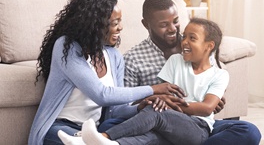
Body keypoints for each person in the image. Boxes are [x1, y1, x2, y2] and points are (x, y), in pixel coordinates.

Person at [28, 0, 186, 145]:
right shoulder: (66, 47)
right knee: (84, 141)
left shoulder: (114, 56)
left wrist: (140, 106)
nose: (120, 27)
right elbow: (101, 95)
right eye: (115, 23)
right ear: (95, 24)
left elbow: (114, 111)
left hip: (94, 132)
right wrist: (154, 89)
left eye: (120, 21)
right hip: (60, 128)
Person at [57, 17, 229, 145]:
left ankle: (102, 137)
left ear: (209, 46)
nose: (184, 41)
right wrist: (160, 101)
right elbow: (163, 94)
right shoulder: (175, 61)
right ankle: (108, 143)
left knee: (157, 112)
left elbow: (206, 109)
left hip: (197, 128)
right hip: (169, 124)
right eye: (184, 36)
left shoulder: (219, 75)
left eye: (192, 38)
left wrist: (171, 106)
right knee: (151, 134)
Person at [122, 0, 261, 144]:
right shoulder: (133, 58)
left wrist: (213, 98)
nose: (173, 29)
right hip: (160, 122)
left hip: (198, 123)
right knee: (113, 126)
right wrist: (152, 100)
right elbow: (126, 106)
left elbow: (211, 77)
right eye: (163, 25)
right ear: (146, 24)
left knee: (249, 131)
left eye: (176, 21)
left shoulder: (197, 43)